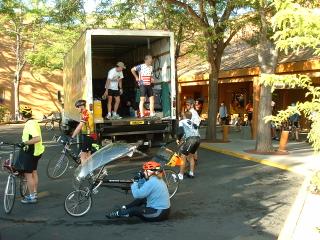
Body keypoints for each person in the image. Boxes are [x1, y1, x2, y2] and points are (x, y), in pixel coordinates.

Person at [106, 161, 170, 221]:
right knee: (142, 199)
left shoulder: (151, 182)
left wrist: (135, 182)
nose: (144, 172)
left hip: (158, 214)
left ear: (150, 172)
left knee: (135, 210)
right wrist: (141, 179)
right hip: (164, 211)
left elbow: (137, 195)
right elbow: (143, 188)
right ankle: (124, 208)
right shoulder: (157, 179)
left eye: (145, 170)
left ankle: (119, 213)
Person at [18, 106, 45, 204]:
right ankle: (34, 193)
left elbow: (37, 138)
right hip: (36, 152)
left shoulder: (30, 124)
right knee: (34, 172)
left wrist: (25, 143)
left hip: (31, 152)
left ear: (22, 115)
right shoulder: (33, 122)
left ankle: (32, 196)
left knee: (28, 175)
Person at [177, 111, 201, 180]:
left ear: (184, 116)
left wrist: (178, 139)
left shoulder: (182, 121)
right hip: (198, 139)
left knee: (183, 156)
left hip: (191, 140)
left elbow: (180, 132)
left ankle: (180, 175)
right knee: (191, 156)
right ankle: (191, 173)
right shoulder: (193, 122)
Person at [71, 100, 94, 165]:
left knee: (83, 155)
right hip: (88, 135)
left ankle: (83, 172)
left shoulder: (86, 114)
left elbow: (80, 126)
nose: (77, 109)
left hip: (88, 136)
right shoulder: (85, 113)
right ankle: (90, 170)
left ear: (81, 106)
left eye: (77, 107)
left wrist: (72, 136)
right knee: (88, 154)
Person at [185, 98, 201, 164]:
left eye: (188, 105)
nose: (187, 106)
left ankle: (192, 162)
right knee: (194, 149)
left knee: (189, 151)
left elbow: (196, 123)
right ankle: (195, 160)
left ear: (192, 105)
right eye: (186, 105)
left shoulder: (192, 112)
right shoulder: (193, 112)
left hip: (192, 134)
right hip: (194, 134)